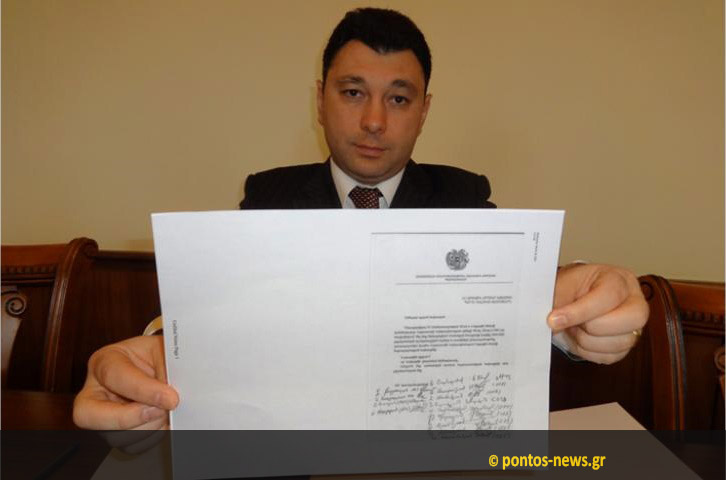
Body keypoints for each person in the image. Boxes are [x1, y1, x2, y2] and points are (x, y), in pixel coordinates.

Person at [73, 7, 648, 431]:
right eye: (353, 93)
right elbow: (227, 307)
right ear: (320, 99)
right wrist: (160, 346)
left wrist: (578, 318)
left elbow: (514, 298)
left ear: (424, 110)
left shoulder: (463, 197)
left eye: (398, 98)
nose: (374, 120)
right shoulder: (269, 196)